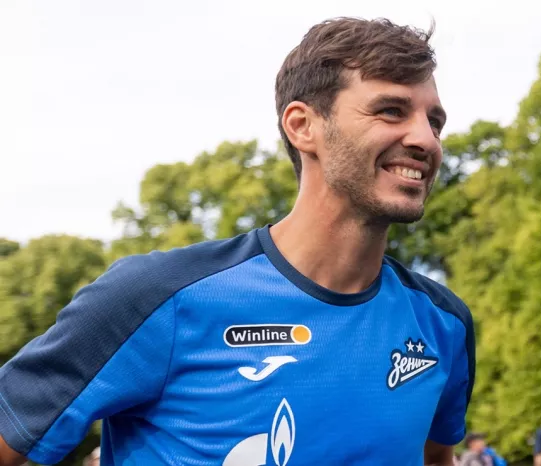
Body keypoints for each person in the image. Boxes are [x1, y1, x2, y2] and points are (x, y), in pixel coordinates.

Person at [0, 16, 475, 466]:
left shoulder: (443, 324)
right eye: (391, 111)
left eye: (434, 122)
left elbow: (434, 458)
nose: (427, 140)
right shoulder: (157, 296)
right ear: (302, 126)